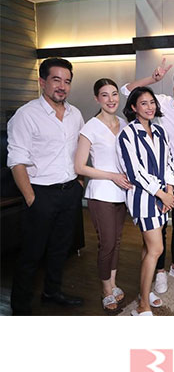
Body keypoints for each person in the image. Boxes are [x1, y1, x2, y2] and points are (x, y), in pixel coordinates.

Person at [7, 57, 84, 315]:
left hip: (69, 192)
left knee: (61, 248)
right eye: (56, 80)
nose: (62, 86)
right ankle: (20, 307)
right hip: (40, 194)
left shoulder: (75, 114)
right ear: (42, 82)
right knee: (31, 253)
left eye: (67, 81)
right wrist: (31, 198)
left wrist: (79, 183)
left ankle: (52, 292)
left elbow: (81, 151)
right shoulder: (26, 115)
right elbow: (17, 161)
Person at [121, 60, 174, 294]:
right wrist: (153, 79)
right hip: (156, 179)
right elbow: (127, 91)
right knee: (159, 226)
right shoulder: (160, 103)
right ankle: (160, 271)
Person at [117, 87, 174, 316]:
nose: (150, 107)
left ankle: (146, 292)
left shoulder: (160, 132)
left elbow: (169, 163)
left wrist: (169, 192)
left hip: (163, 198)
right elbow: (134, 172)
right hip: (144, 199)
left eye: (152, 102)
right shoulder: (127, 135)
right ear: (133, 107)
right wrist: (162, 194)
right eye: (143, 103)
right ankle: (143, 305)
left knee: (147, 247)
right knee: (157, 248)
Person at [74, 78, 132, 314]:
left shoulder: (124, 123)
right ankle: (106, 290)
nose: (111, 99)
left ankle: (113, 283)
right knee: (106, 243)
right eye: (105, 95)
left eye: (114, 94)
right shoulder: (90, 127)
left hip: (122, 192)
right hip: (100, 193)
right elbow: (79, 166)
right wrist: (112, 176)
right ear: (97, 98)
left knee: (116, 241)